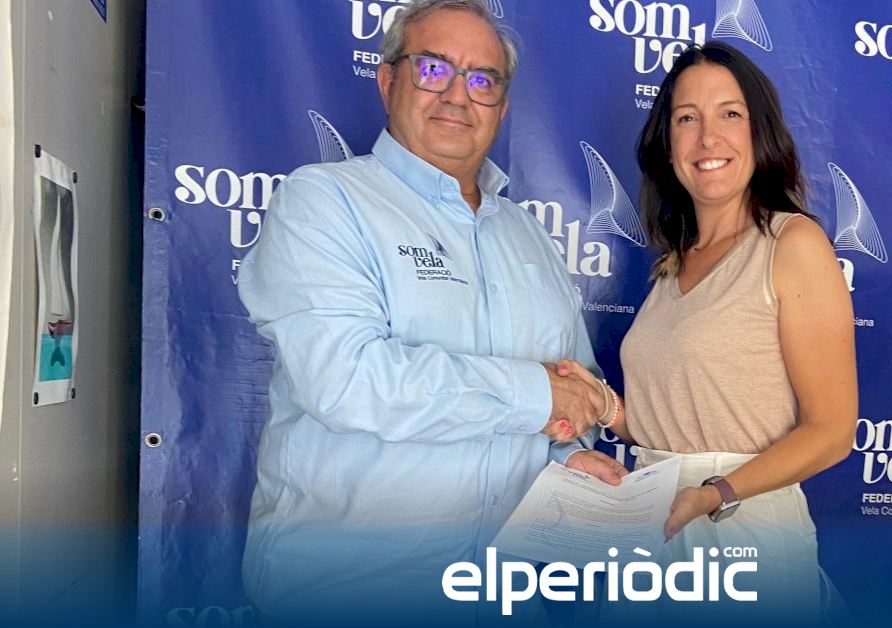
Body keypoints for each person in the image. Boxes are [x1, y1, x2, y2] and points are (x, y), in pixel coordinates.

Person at [236, 0, 627, 622]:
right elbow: (346, 380)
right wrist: (537, 396)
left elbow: (569, 392)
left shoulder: (528, 235)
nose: (457, 95)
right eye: (433, 68)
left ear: (501, 106)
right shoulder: (323, 203)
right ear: (387, 80)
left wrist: (566, 457)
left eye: (482, 80)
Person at [559, 42, 857, 620]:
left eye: (730, 114)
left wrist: (716, 493)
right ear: (667, 143)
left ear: (759, 132)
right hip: (655, 522)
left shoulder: (792, 244)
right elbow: (680, 425)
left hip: (741, 530)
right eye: (687, 119)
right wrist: (602, 406)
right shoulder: (674, 264)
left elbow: (832, 431)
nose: (707, 138)